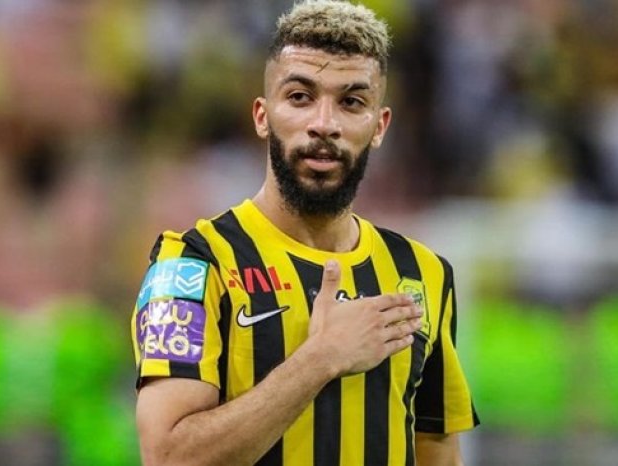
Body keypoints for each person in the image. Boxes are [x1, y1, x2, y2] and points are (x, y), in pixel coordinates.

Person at [131, 1, 479, 465]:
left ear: (379, 126)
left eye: (351, 102)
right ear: (262, 116)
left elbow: (438, 450)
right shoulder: (190, 266)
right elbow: (167, 456)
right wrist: (320, 359)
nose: (324, 124)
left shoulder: (424, 273)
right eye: (300, 97)